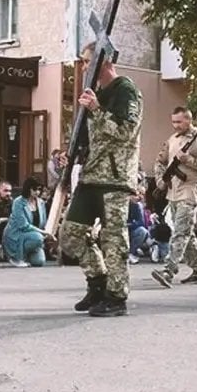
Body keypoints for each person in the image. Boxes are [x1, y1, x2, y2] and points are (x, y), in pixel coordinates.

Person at [60, 42, 142, 316]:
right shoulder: (94, 94)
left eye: (87, 61)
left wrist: (96, 109)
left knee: (113, 239)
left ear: (104, 62)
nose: (84, 67)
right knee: (70, 234)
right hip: (90, 176)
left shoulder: (125, 91)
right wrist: (69, 156)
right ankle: (98, 283)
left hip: (114, 179)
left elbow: (125, 133)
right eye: (83, 62)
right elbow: (86, 138)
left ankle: (117, 297)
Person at [150, 106, 197, 288]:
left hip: (190, 191)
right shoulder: (172, 140)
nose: (176, 125)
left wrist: (189, 160)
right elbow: (160, 161)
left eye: (179, 122)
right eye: (173, 122)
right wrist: (159, 180)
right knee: (186, 231)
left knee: (181, 231)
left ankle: (169, 270)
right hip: (173, 192)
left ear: (189, 120)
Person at [5, 177, 50, 267]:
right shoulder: (18, 202)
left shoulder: (41, 203)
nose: (37, 192)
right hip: (17, 235)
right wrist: (42, 232)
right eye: (34, 189)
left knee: (39, 261)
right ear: (28, 189)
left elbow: (43, 222)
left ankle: (26, 255)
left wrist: (46, 232)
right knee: (38, 238)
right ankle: (16, 257)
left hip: (34, 235)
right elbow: (23, 225)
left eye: (39, 189)